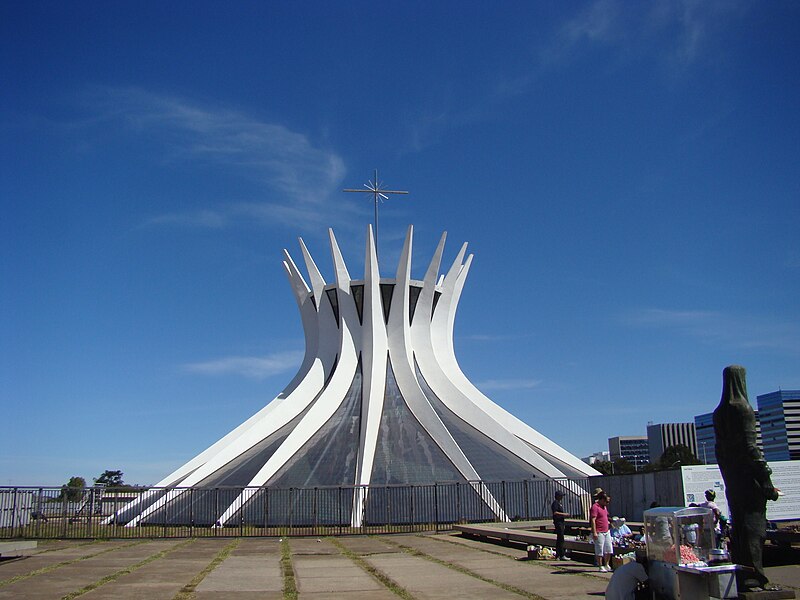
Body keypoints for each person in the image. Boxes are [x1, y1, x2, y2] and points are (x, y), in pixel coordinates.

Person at [714, 365, 781, 591]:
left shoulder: (719, 413)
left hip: (732, 481)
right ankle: (755, 577)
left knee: (740, 528)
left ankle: (742, 572)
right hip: (749, 481)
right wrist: (767, 483)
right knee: (755, 529)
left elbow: (719, 450)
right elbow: (752, 450)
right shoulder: (743, 409)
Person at [590, 491, 613, 572]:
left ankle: (607, 564)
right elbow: (593, 520)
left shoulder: (604, 507)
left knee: (608, 548)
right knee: (599, 549)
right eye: (606, 501)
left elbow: (606, 516)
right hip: (599, 531)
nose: (607, 503)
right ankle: (600, 565)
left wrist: (612, 521)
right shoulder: (595, 507)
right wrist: (594, 532)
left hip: (606, 531)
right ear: (601, 499)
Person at [552, 490, 570, 560]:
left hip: (561, 522)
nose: (562, 497)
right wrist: (564, 514)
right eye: (561, 496)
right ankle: (561, 555)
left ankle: (558, 555)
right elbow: (555, 512)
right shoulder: (555, 503)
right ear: (558, 496)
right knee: (561, 538)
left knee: (560, 539)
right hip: (558, 522)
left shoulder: (559, 503)